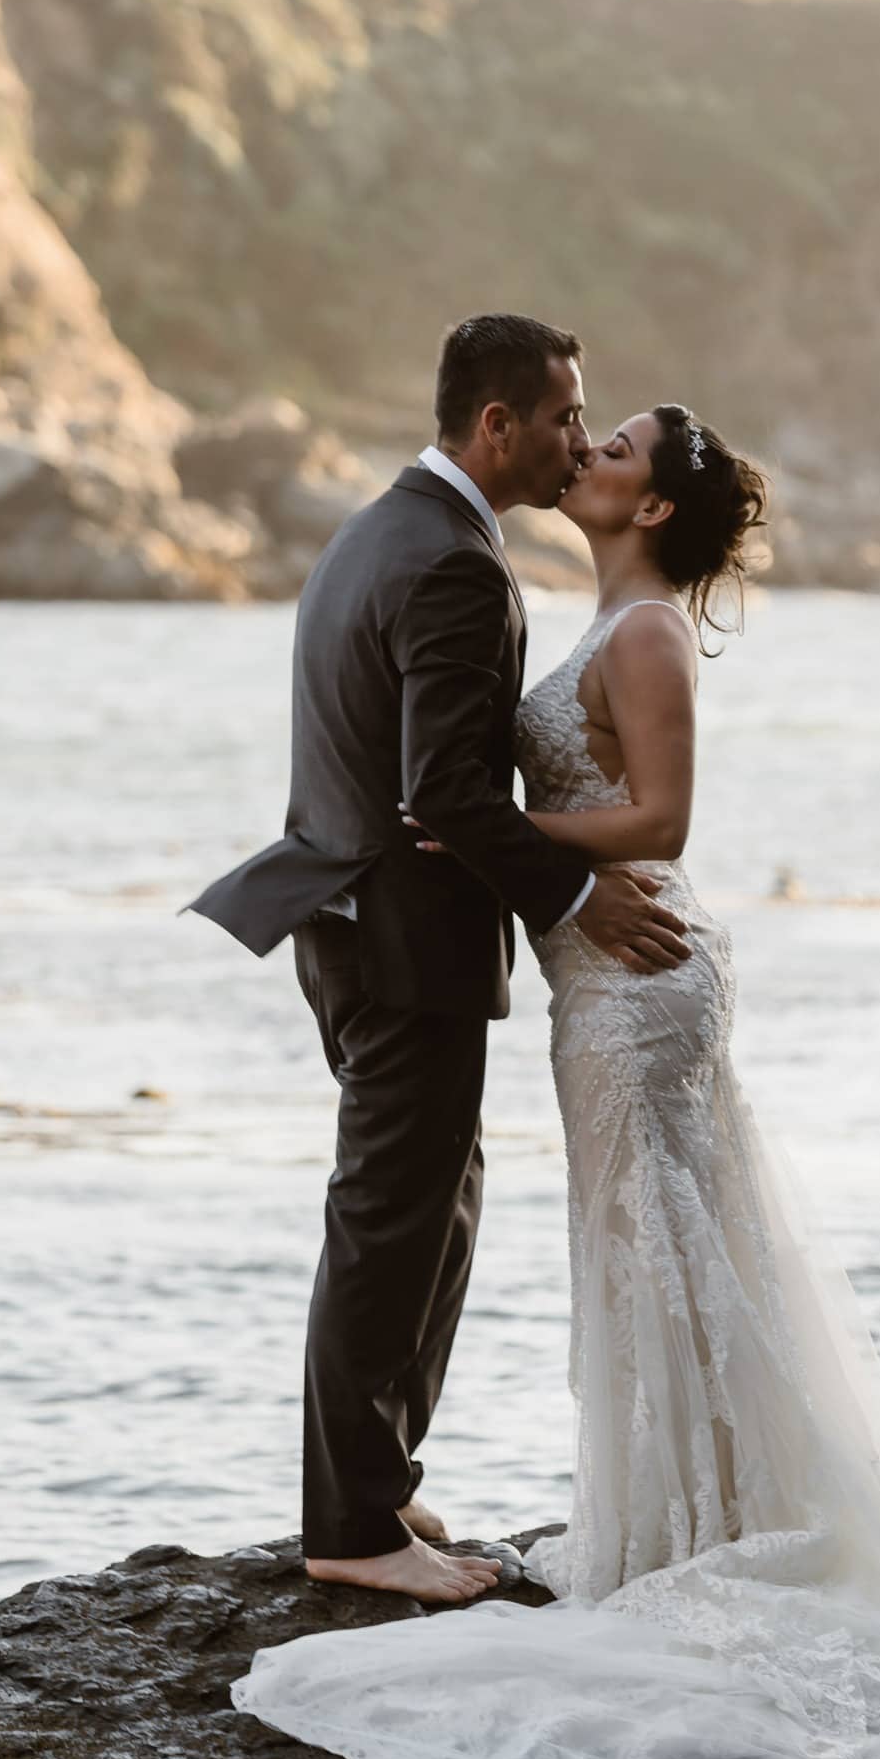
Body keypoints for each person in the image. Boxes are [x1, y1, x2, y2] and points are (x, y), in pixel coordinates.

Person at [230, 402, 880, 1759]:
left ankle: (694, 1537)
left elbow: (662, 821)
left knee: (658, 1251)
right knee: (644, 1252)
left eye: (618, 444)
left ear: (649, 509)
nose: (589, 450)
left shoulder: (644, 636)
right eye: (586, 430)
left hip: (643, 981)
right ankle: (679, 1523)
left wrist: (493, 842)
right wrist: (508, 849)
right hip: (607, 981)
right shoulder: (606, 612)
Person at [182, 316, 690, 1608]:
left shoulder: (382, 528)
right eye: (569, 417)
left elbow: (430, 790)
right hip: (397, 934)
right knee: (392, 1214)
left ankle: (380, 1473)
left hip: (352, 918)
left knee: (434, 1194)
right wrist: (580, 893)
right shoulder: (456, 562)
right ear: (499, 425)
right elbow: (445, 797)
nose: (581, 438)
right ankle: (352, 1518)